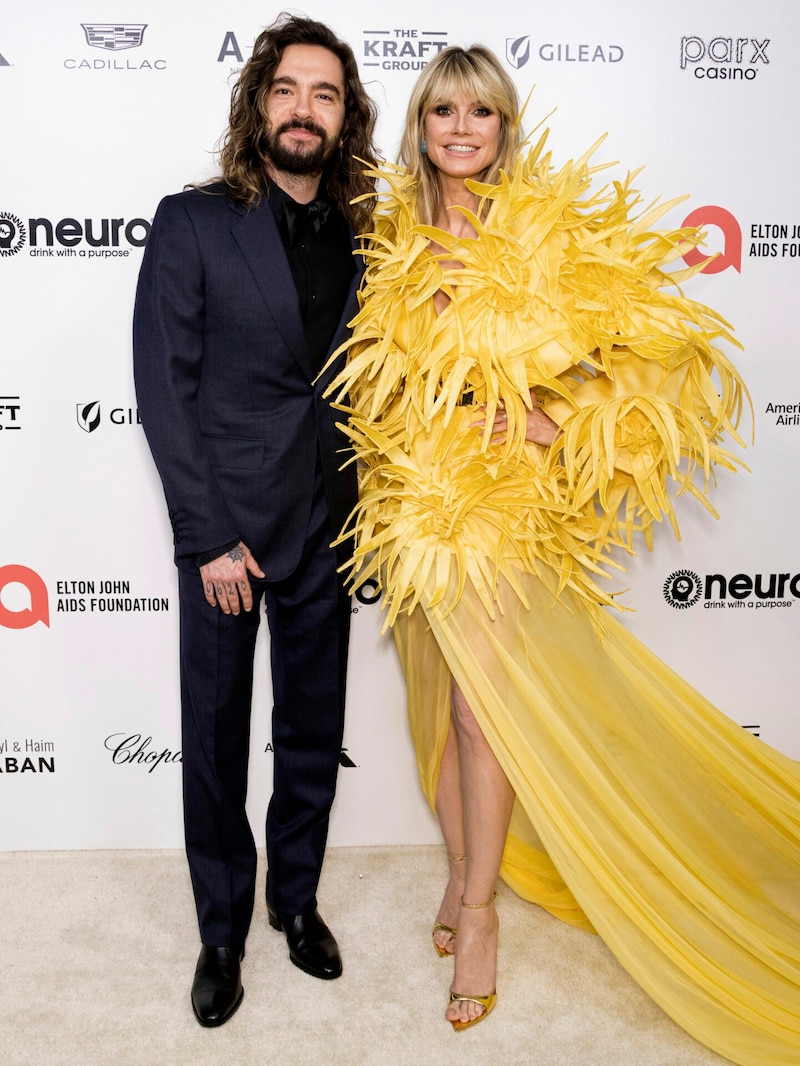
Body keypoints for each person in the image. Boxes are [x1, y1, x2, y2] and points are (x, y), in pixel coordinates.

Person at [327, 45, 800, 1064]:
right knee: (444, 702)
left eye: (480, 113)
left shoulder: (548, 233)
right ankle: (461, 868)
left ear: (504, 127)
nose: (460, 128)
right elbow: (371, 376)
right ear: (419, 125)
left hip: (503, 507)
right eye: (442, 109)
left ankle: (481, 913)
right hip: (413, 501)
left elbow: (664, 367)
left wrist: (545, 426)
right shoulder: (388, 230)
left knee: (479, 707)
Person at [133, 14, 378, 1028]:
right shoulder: (192, 222)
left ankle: (296, 900)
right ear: (257, 103)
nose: (303, 110)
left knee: (312, 732)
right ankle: (223, 928)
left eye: (324, 94)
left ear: (345, 115)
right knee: (217, 737)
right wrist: (204, 536)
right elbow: (164, 387)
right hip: (228, 530)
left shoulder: (368, 230)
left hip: (331, 517)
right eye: (287, 90)